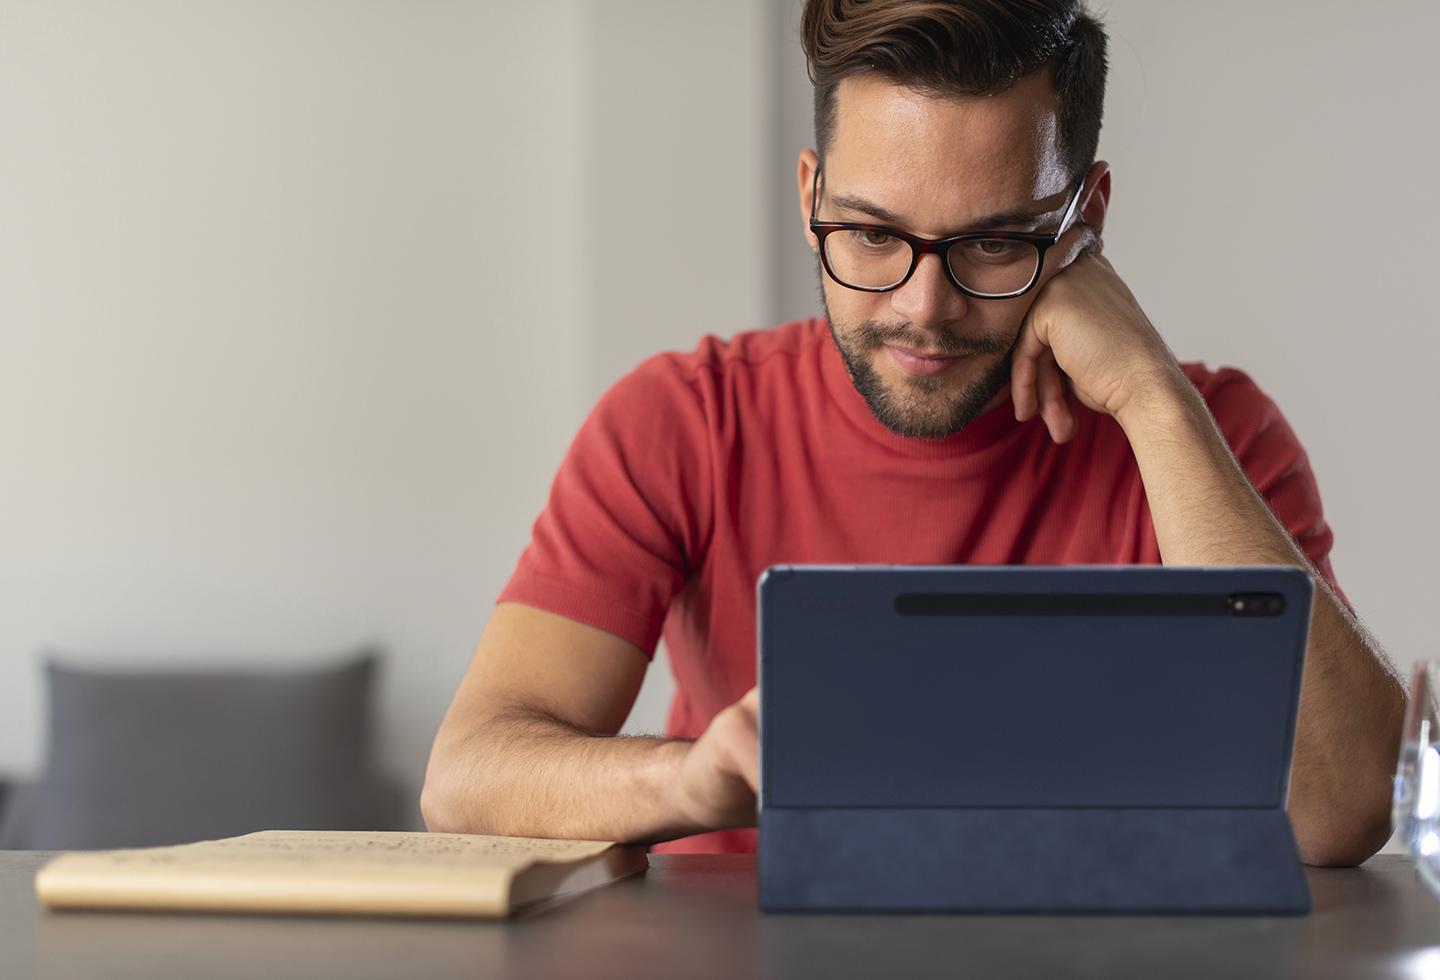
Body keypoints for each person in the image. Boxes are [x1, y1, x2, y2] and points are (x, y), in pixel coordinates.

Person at [421, 0, 1404, 866]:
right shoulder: (685, 420)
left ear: (1085, 222)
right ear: (811, 200)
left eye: (992, 241)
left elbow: (1338, 811)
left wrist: (1150, 394)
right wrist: (691, 780)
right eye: (874, 234)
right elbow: (467, 777)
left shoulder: (1207, 432)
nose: (923, 307)